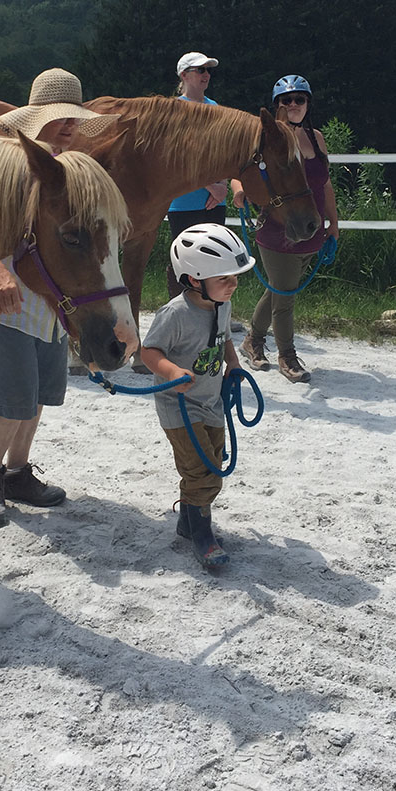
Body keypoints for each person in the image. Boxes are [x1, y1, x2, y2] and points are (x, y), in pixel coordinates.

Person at [0, 68, 120, 527]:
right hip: (4, 300)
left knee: (37, 397)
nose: (71, 126)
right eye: (61, 118)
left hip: (53, 300)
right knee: (10, 398)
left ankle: (17, 471)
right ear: (36, 119)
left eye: (76, 118)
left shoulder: (75, 167)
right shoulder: (3, 164)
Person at [141, 223, 255, 570]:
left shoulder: (221, 304)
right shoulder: (175, 314)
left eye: (235, 277)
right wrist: (172, 373)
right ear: (193, 279)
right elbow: (149, 352)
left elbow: (224, 339)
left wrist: (233, 365)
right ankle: (204, 536)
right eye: (225, 278)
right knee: (204, 472)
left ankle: (188, 522)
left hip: (211, 401)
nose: (233, 284)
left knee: (212, 461)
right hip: (179, 406)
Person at [238, 74, 338, 383]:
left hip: (311, 228)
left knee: (279, 289)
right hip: (278, 228)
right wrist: (238, 190)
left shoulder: (317, 139)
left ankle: (252, 339)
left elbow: (326, 183)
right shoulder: (266, 138)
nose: (293, 105)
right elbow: (240, 170)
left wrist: (333, 223)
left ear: (308, 104)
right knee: (285, 295)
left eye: (300, 99)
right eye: (286, 100)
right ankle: (288, 356)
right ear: (277, 106)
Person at [165, 52, 230, 299]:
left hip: (215, 198)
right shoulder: (174, 111)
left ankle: (215, 308)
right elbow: (174, 158)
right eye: (200, 70)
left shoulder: (216, 108)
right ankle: (180, 313)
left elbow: (225, 151)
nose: (206, 75)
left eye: (208, 70)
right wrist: (212, 186)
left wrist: (222, 186)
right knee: (185, 260)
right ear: (184, 75)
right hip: (183, 200)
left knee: (217, 258)